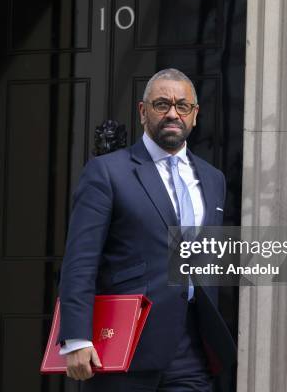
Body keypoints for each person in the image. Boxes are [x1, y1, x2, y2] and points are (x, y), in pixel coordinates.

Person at [57, 68, 236, 391]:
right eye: (161, 104)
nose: (172, 113)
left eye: (183, 106)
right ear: (143, 112)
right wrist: (76, 337)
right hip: (125, 344)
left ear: (194, 116)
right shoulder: (107, 172)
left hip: (192, 348)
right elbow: (80, 261)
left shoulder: (213, 179)